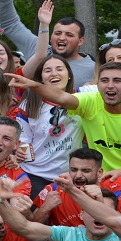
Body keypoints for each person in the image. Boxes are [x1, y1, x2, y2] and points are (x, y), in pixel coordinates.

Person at [0, 0, 94, 88]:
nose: (62, 38)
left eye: (69, 35)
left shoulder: (93, 69)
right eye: (57, 33)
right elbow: (10, 24)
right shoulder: (38, 49)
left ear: (81, 41)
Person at [17, 54, 84, 196]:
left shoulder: (84, 97)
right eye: (47, 70)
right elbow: (23, 141)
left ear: (69, 75)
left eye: (59, 69)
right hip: (35, 174)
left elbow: (117, 83)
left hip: (71, 176)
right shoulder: (29, 104)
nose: (54, 73)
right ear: (40, 78)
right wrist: (19, 152)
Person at [31, 148, 121, 227]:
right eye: (73, 170)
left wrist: (103, 204)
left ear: (99, 172)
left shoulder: (116, 195)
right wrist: (45, 208)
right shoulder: (54, 190)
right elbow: (30, 228)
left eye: (85, 171)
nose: (78, 175)